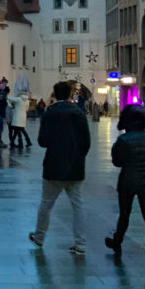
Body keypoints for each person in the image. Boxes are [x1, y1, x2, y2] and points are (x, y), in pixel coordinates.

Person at [29, 81, 91, 255]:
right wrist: (78, 157)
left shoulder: (49, 112)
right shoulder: (79, 113)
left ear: (54, 94)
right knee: (78, 205)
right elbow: (86, 141)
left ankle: (39, 236)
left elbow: (42, 141)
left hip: (53, 165)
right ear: (71, 94)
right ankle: (81, 243)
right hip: (75, 166)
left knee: (46, 203)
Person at [104, 105, 145, 266]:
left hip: (128, 180)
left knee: (124, 214)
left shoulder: (123, 140)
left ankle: (118, 241)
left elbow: (117, 162)